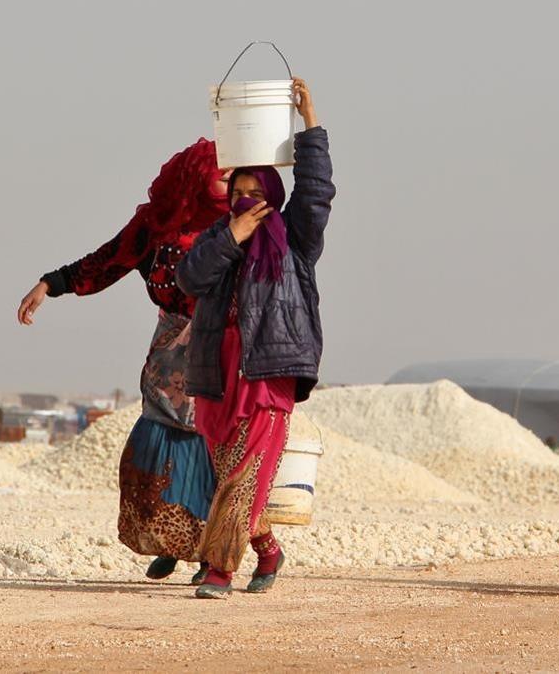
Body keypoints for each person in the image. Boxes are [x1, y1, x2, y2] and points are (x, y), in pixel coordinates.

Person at [17, 137, 230, 584]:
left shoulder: (241, 226)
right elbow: (106, 261)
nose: (233, 180)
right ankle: (169, 541)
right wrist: (50, 284)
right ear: (195, 176)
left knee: (212, 452)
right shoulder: (155, 227)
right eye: (223, 172)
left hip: (222, 353)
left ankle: (214, 557)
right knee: (154, 451)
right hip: (168, 357)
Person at [177, 77, 334, 599]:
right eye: (237, 192)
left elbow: (316, 191)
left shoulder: (296, 242)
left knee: (245, 474)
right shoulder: (216, 239)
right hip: (216, 375)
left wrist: (310, 122)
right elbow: (188, 279)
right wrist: (231, 237)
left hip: (269, 373)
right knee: (231, 478)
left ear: (272, 194)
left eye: (255, 192)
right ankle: (268, 548)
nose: (245, 200)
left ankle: (220, 569)